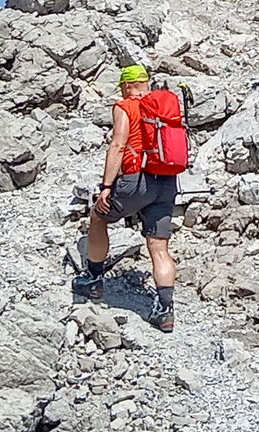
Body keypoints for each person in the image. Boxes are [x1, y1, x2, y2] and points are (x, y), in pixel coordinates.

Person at [81, 64, 178, 332]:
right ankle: (165, 310)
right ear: (146, 82)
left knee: (98, 217)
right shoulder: (163, 104)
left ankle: (93, 279)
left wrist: (106, 186)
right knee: (159, 248)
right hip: (167, 180)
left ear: (125, 85)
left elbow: (118, 144)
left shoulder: (125, 106)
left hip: (136, 180)